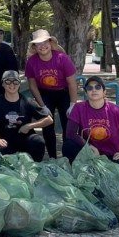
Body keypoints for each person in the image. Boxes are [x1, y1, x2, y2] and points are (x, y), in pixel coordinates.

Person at [25, 29, 78, 158]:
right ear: (34, 47)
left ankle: (67, 157)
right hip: (45, 94)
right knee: (47, 124)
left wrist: (73, 103)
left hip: (63, 93)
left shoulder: (62, 58)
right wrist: (42, 105)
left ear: (50, 42)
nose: (42, 46)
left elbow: (72, 82)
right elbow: (32, 85)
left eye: (45, 42)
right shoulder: (32, 62)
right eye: (38, 44)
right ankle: (53, 157)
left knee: (68, 124)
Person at [61, 76, 119, 171]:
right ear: (86, 92)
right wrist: (89, 147)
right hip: (88, 154)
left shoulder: (117, 110)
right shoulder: (78, 108)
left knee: (118, 178)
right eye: (89, 88)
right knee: (68, 145)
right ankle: (75, 173)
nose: (94, 90)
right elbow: (70, 133)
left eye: (98, 87)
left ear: (104, 92)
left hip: (112, 156)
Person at [0, 70, 53, 162]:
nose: (12, 85)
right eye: (8, 81)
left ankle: (34, 169)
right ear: (3, 84)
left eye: (15, 81)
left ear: (19, 84)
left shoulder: (27, 101)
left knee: (38, 142)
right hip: (4, 140)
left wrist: (29, 126)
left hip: (23, 140)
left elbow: (49, 119)